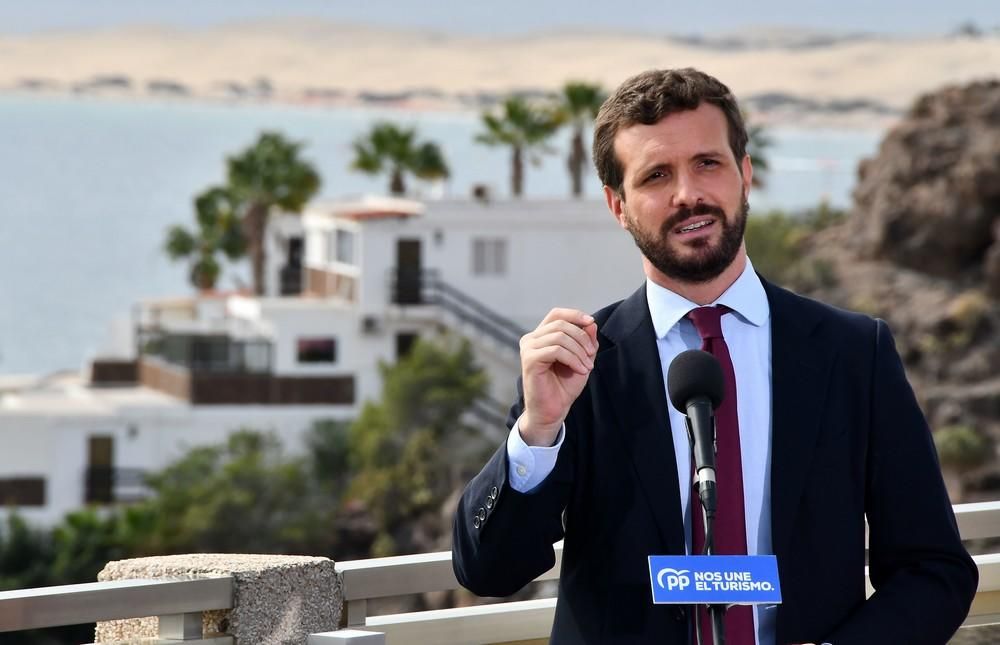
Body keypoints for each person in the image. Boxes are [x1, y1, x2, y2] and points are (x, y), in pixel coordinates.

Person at [452, 68, 979, 644]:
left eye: (708, 163)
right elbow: (489, 570)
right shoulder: (580, 364)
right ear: (618, 205)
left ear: (745, 176)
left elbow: (935, 570)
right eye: (656, 175)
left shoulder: (853, 353)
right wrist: (538, 430)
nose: (688, 194)